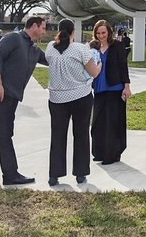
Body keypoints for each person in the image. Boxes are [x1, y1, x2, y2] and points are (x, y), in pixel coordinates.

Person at [0, 16, 48, 185]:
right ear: (34, 26)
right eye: (43, 28)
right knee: (4, 134)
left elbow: (50, 60)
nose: (44, 31)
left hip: (11, 96)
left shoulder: (33, 49)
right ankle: (10, 175)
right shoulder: (14, 38)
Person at [45, 19, 101, 186]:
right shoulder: (80, 48)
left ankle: (54, 174)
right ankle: (80, 173)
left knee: (57, 135)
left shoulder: (50, 48)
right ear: (73, 32)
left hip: (56, 98)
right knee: (81, 134)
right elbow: (93, 72)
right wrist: (99, 65)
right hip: (80, 96)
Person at [91, 20, 132, 164]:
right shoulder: (93, 48)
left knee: (113, 123)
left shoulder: (117, 46)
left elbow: (123, 67)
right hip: (98, 89)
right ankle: (100, 152)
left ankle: (112, 155)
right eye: (98, 33)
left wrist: (127, 87)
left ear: (109, 32)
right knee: (98, 123)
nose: (101, 35)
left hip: (115, 88)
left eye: (103, 32)